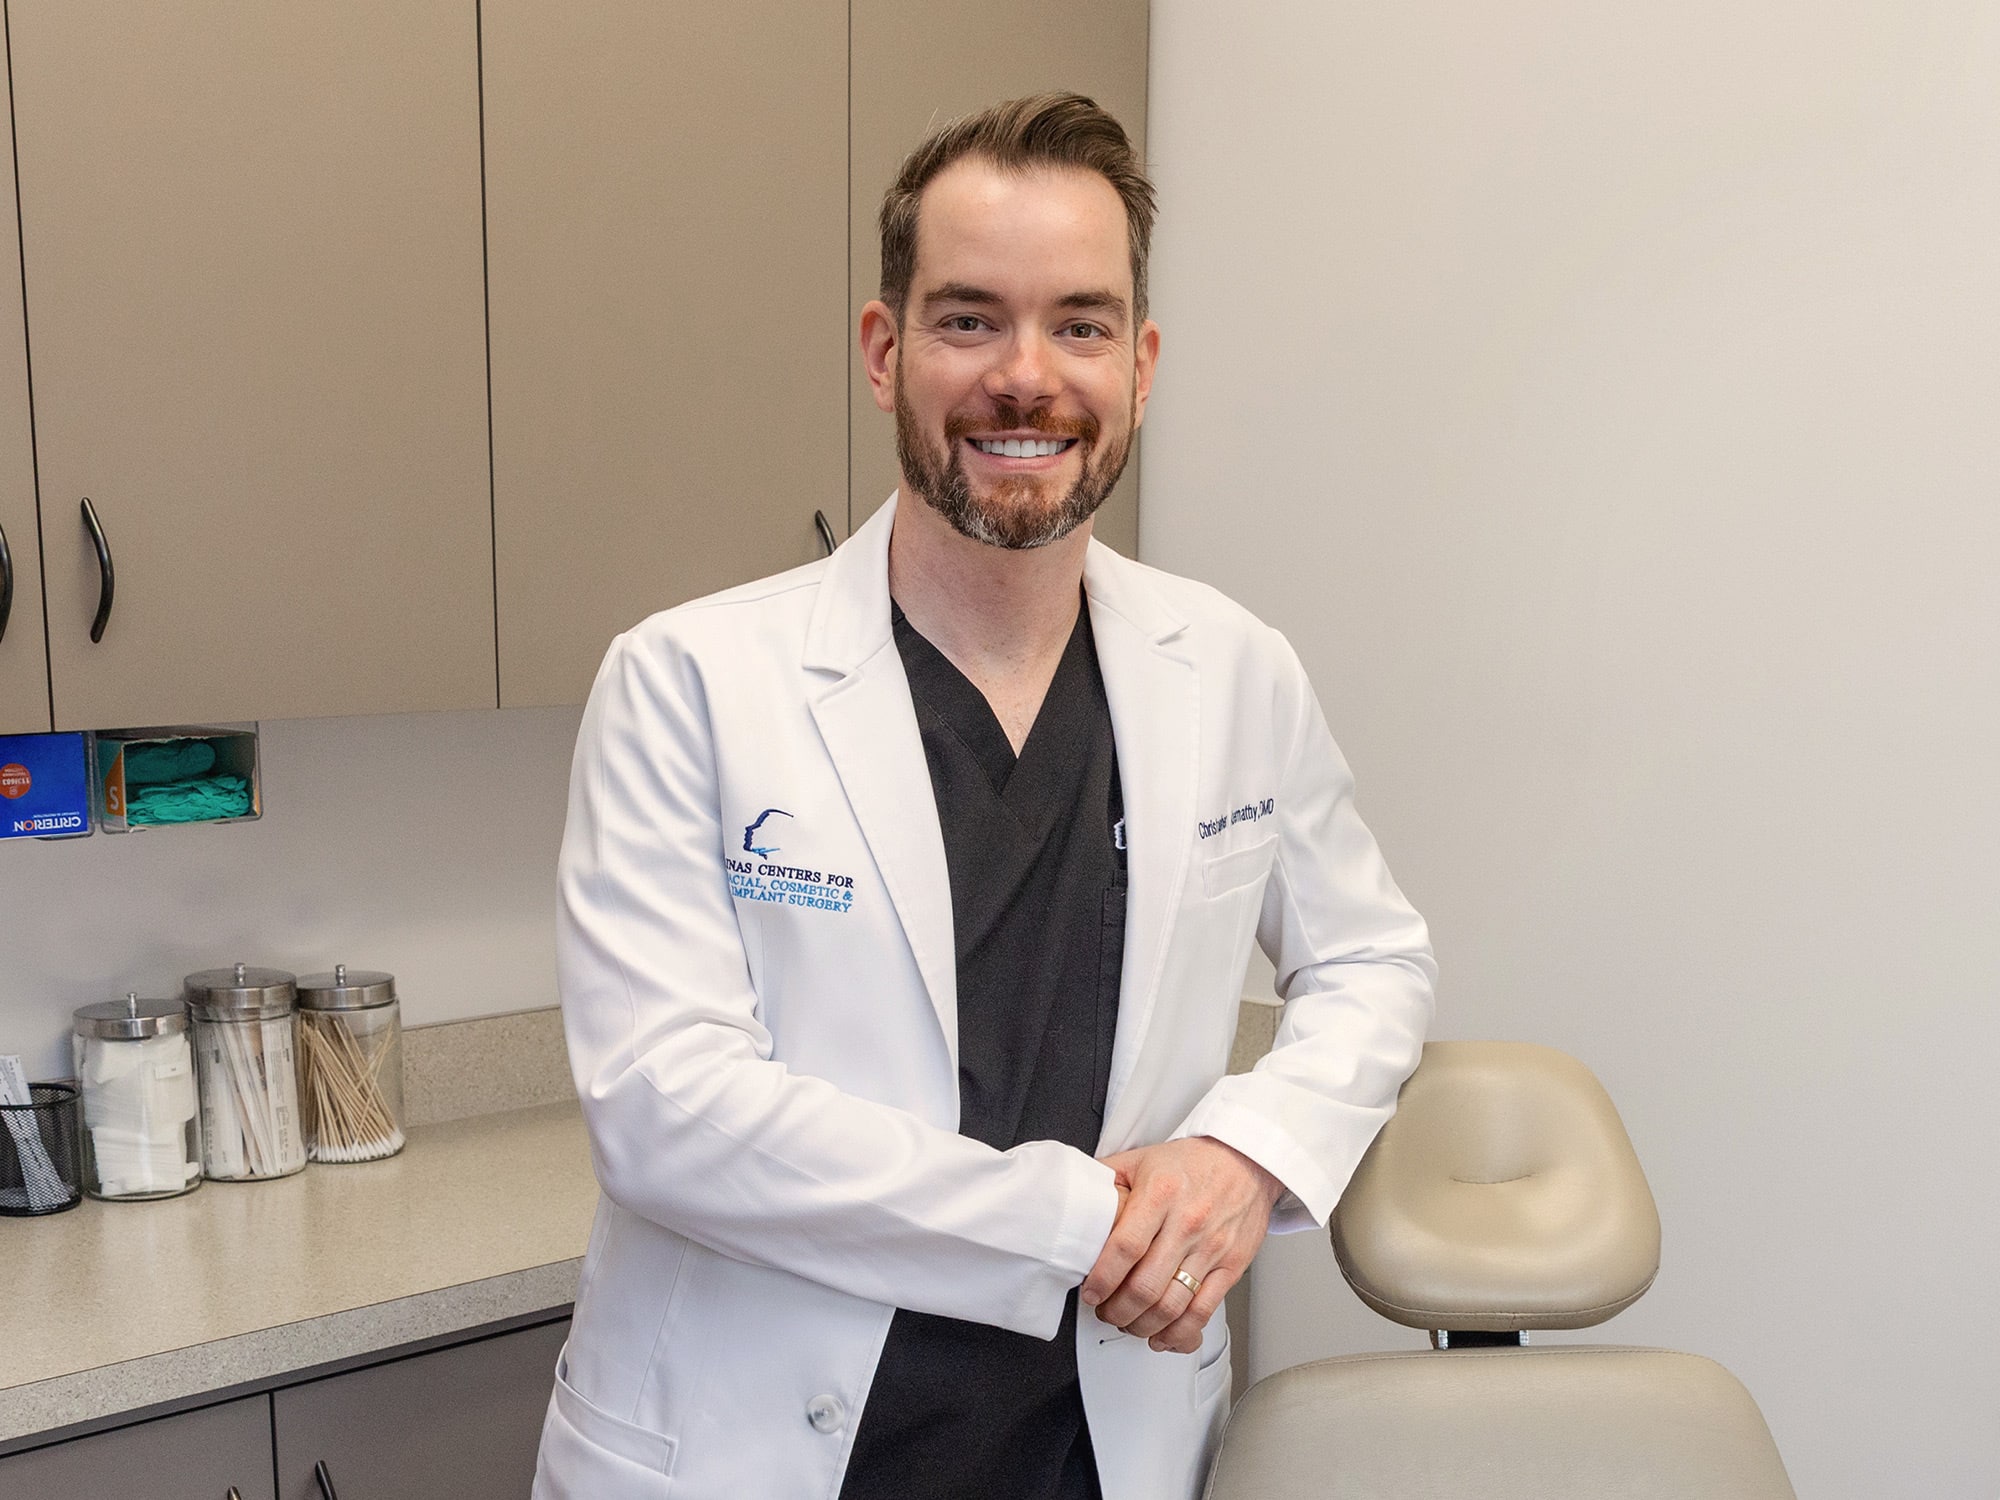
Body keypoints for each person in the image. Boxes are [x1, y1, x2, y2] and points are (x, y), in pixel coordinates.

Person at [532, 93, 1434, 1500]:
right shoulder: (690, 681)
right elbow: (668, 1110)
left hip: (1105, 1444)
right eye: (969, 321)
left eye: (1080, 324)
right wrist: (1088, 1223)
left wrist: (1242, 1159)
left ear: (1140, 364)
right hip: (749, 1449)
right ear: (884, 352)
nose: (1028, 377)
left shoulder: (1235, 670)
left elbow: (1374, 960)